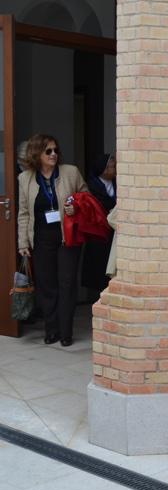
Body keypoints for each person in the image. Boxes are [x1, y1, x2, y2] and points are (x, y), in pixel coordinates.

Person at [17, 134, 87, 346]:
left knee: (66, 283)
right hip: (41, 238)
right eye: (48, 151)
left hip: (68, 236)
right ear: (36, 153)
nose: (54, 154)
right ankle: (51, 329)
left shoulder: (70, 172)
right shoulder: (25, 178)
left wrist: (76, 207)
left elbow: (86, 196)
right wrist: (23, 243)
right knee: (47, 285)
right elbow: (23, 213)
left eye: (55, 150)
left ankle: (66, 332)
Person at [82, 153, 117, 297]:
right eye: (110, 167)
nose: (114, 169)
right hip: (98, 230)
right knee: (98, 265)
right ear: (102, 169)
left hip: (113, 229)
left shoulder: (118, 182)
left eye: (114, 166)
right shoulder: (92, 185)